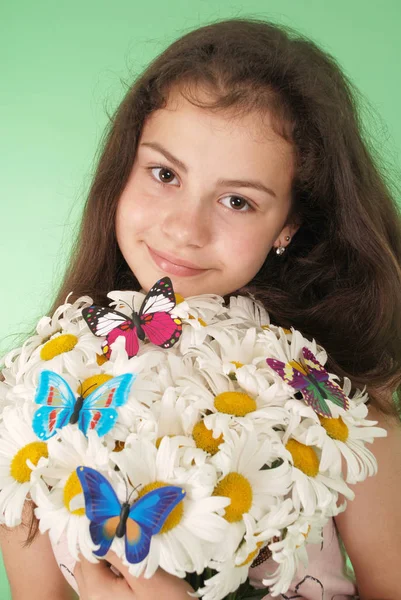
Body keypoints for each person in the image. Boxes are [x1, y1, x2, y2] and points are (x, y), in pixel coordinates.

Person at [1, 15, 401, 600]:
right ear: (123, 172)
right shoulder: (32, 406)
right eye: (164, 174)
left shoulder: (341, 409)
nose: (185, 230)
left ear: (287, 224)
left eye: (237, 200)